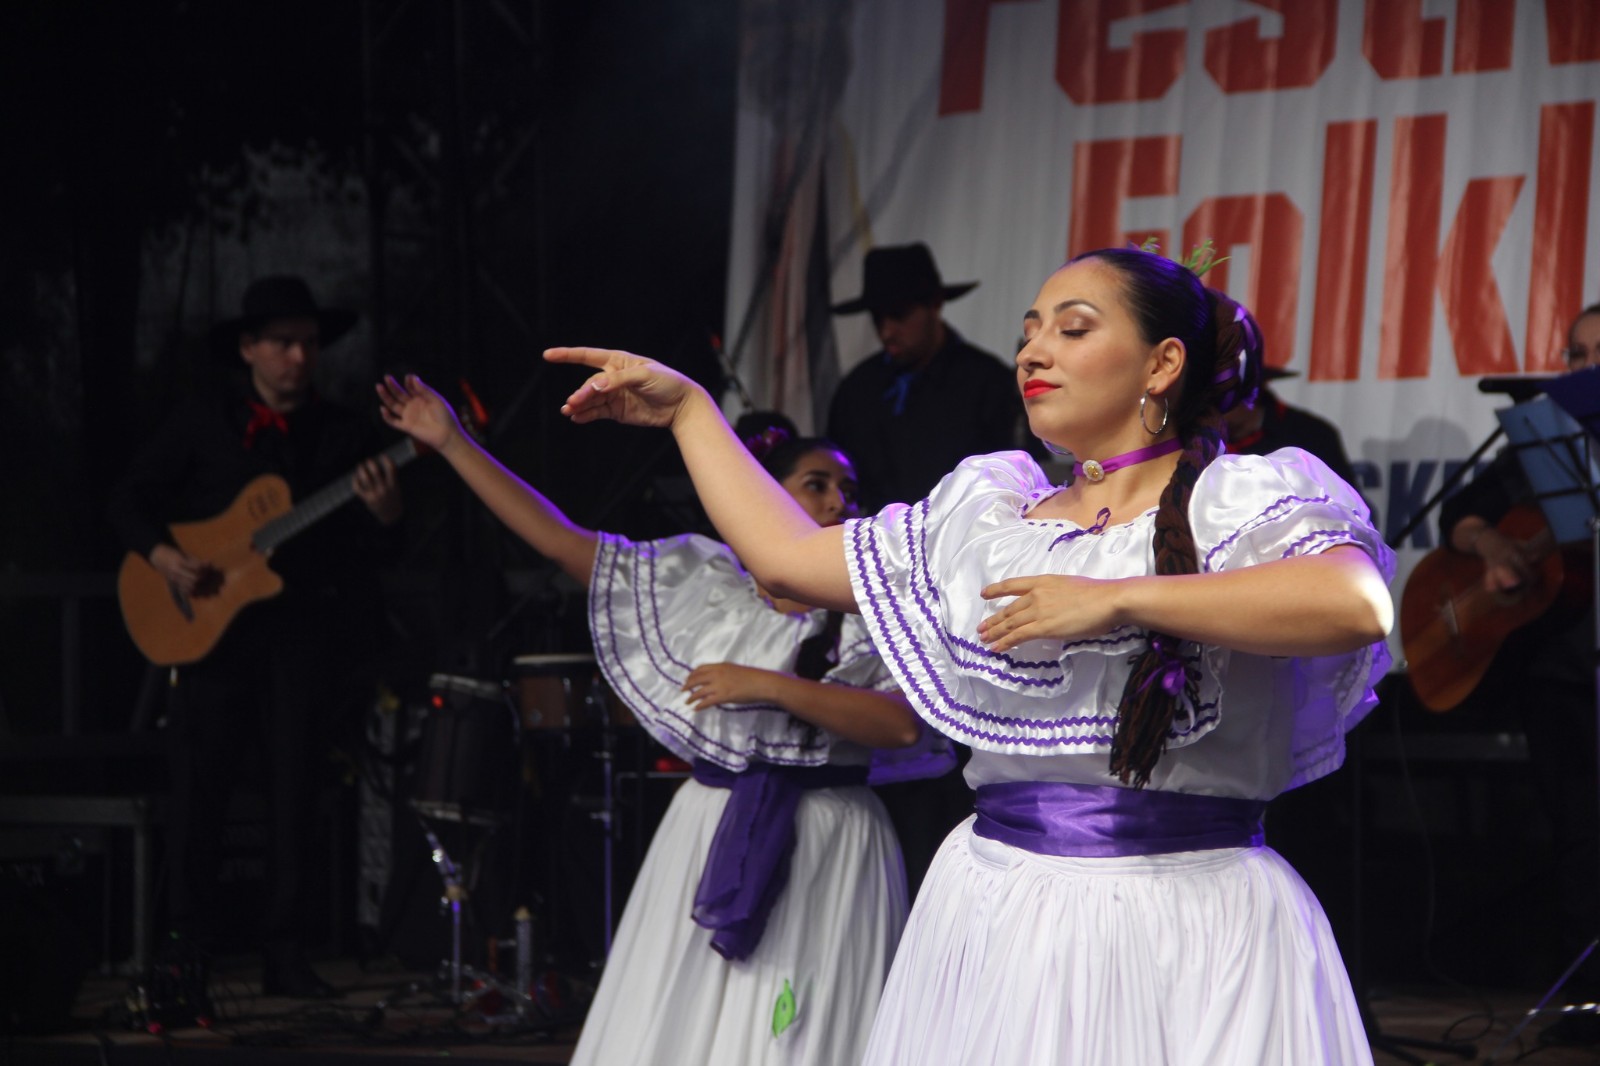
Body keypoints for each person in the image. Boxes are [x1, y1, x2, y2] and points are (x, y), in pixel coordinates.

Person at [545, 243, 1396, 1064]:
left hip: (1189, 913)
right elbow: (786, 559)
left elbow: (1354, 603)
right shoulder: (990, 520)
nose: (1034, 351)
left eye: (1072, 328)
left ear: (1162, 363)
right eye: (1029, 331)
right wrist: (690, 411)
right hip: (1000, 905)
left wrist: (1116, 598)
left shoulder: (1239, 498)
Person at [376, 376, 946, 1066]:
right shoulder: (702, 584)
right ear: (763, 497)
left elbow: (901, 727)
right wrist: (452, 443)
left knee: (802, 1019)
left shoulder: (877, 611)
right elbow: (559, 541)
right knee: (684, 1012)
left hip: (833, 831)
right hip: (711, 821)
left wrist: (767, 686)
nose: (838, 502)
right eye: (816, 484)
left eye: (848, 491)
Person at [107, 275, 403, 1001]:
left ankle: (285, 951)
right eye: (282, 343)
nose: (298, 357)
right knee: (199, 795)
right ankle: (186, 953)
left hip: (300, 635)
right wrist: (164, 556)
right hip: (212, 641)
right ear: (248, 348)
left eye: (309, 343)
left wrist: (386, 513)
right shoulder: (202, 420)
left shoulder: (346, 434)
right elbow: (127, 498)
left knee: (295, 791)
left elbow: (375, 554)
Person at [1436, 302, 1600, 1036]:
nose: (1585, 366)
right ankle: (1586, 996)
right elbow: (1461, 514)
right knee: (1577, 832)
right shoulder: (1544, 440)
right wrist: (1492, 545)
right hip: (1559, 665)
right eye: (1576, 354)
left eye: (1599, 352)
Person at [826, 242, 1031, 513]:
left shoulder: (988, 383)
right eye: (878, 318)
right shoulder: (857, 390)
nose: (887, 332)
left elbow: (1018, 477)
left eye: (899, 315)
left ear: (934, 305)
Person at [1223, 366, 1359, 487]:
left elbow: (1345, 501)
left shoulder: (1311, 435)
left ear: (1253, 395)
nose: (1214, 408)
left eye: (1222, 397)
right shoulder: (1211, 436)